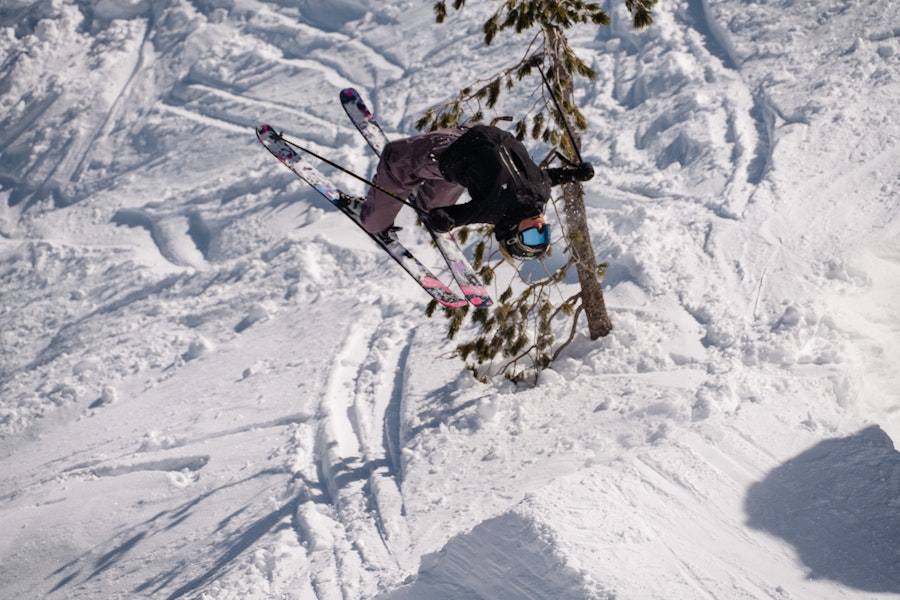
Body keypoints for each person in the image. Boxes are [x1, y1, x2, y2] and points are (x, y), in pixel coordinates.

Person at [343, 123, 594, 261]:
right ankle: (373, 219)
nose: (540, 228)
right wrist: (442, 221)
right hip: (445, 148)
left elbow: (548, 177)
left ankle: (425, 200)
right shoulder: (495, 209)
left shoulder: (540, 192)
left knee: (449, 188)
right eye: (545, 233)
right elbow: (454, 216)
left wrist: (574, 175)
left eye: (533, 237)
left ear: (511, 233)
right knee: (394, 161)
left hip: (479, 137)